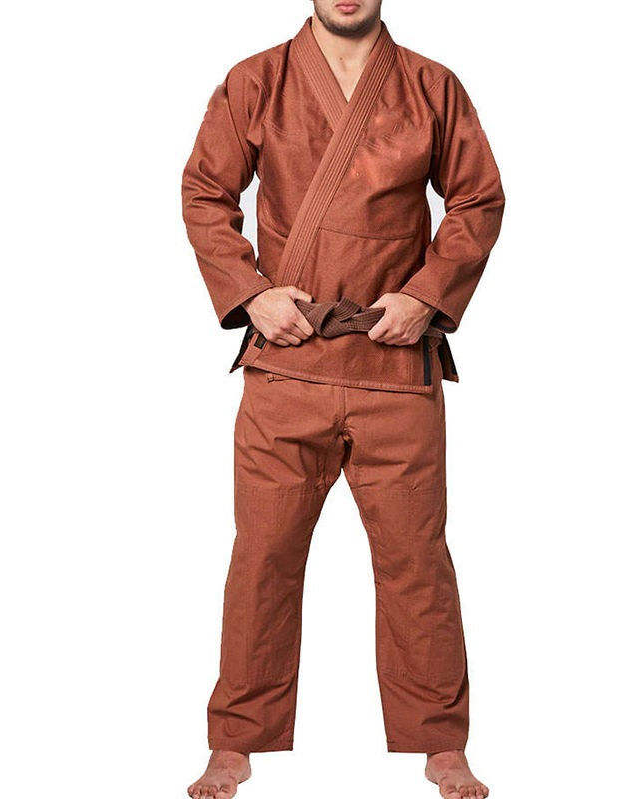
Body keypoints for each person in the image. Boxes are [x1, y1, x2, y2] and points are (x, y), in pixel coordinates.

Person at [181, 1, 504, 796]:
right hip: (289, 363)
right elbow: (205, 192)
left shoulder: (433, 86)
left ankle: (440, 739)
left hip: (395, 366)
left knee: (417, 560)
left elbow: (477, 200)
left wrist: (427, 296)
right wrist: (251, 294)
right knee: (263, 556)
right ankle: (237, 738)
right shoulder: (256, 81)